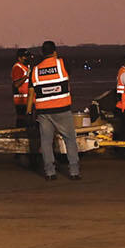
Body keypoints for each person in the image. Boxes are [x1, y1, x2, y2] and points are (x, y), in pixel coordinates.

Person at [28, 40, 80, 181]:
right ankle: (74, 171)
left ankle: (50, 173)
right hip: (62, 109)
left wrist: (29, 112)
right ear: (55, 52)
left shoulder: (35, 70)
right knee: (69, 140)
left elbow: (32, 91)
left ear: (42, 53)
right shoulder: (62, 64)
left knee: (46, 142)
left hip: (44, 112)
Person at [10, 48, 39, 170]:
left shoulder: (26, 67)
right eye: (25, 57)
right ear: (19, 58)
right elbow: (16, 84)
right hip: (21, 100)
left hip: (28, 100)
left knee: (28, 124)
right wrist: (26, 76)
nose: (27, 59)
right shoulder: (17, 68)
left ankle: (22, 148)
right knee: (22, 123)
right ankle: (19, 150)